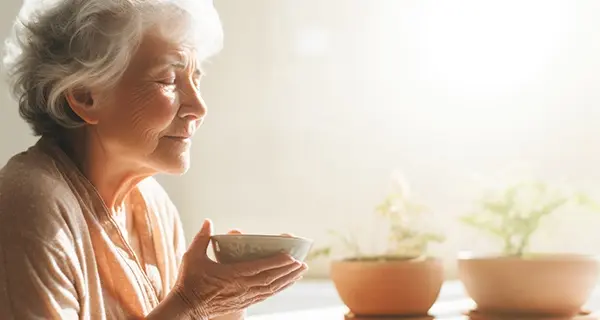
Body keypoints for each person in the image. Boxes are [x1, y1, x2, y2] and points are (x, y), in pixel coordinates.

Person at [0, 0, 308, 319]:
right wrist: (193, 304)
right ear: (84, 96)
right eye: (168, 81)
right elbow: (185, 310)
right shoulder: (28, 202)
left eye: (196, 78)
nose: (199, 108)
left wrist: (225, 302)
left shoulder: (152, 203)